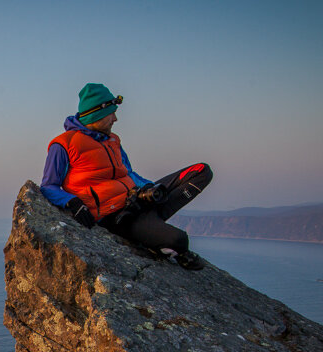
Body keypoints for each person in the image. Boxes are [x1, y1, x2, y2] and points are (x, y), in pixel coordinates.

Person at [41, 82, 213, 270]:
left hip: (136, 199)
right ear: (96, 113)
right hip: (117, 217)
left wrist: (148, 187)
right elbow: (49, 186)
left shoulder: (113, 140)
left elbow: (128, 172)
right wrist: (73, 203)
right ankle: (158, 238)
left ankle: (153, 228)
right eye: (111, 114)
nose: (115, 119)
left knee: (201, 172)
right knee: (179, 240)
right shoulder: (63, 145)